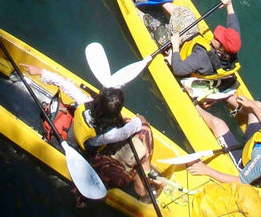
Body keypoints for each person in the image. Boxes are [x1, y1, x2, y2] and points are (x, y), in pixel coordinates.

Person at [21, 64, 163, 200]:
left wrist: (40, 71)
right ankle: (144, 178)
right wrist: (140, 120)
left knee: (133, 133)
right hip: (94, 152)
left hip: (81, 136)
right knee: (144, 129)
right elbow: (132, 128)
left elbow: (64, 84)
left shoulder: (85, 102)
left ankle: (143, 174)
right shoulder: (110, 134)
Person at [188, 95, 261, 187]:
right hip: (260, 145)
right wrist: (253, 107)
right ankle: (224, 95)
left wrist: (206, 170)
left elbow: (241, 181)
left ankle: (195, 106)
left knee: (218, 124)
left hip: (246, 160)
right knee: (258, 105)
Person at [162, 0, 241, 79]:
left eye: (216, 38)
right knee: (186, 14)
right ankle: (163, 3)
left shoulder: (202, 56)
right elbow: (233, 25)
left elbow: (178, 69)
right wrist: (229, 4)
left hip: (182, 52)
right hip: (196, 51)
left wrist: (175, 46)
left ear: (221, 49)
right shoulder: (232, 50)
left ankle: (160, 0)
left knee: (166, 30)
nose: (213, 36)